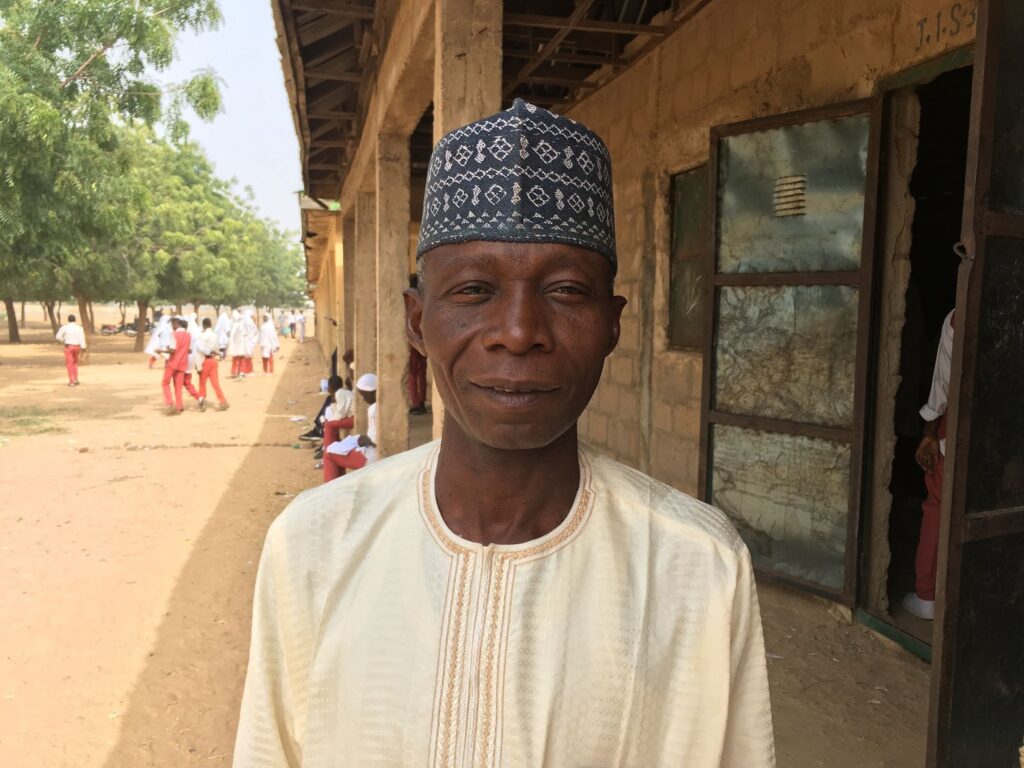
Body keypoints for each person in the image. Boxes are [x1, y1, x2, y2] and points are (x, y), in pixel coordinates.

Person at [235, 100, 774, 767]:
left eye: (567, 291)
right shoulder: (315, 546)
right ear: (416, 320)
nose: (519, 332)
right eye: (473, 291)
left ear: (613, 323)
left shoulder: (697, 568)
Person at [906, 309, 955, 621]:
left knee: (939, 506)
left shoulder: (959, 315)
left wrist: (929, 432)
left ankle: (927, 596)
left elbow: (944, 384)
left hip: (960, 431)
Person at [320, 374, 370, 482]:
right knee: (331, 425)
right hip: (351, 417)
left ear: (330, 386)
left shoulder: (340, 393)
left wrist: (330, 421)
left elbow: (341, 412)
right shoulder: (341, 392)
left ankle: (326, 450)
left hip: (353, 418)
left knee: (329, 426)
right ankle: (331, 448)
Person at [161, 316, 198, 415]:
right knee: (178, 387)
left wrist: (161, 350)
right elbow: (189, 350)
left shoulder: (173, 334)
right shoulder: (188, 335)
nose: (172, 325)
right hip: (183, 363)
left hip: (172, 363)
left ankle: (169, 403)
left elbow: (172, 349)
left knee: (165, 383)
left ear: (177, 323)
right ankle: (179, 406)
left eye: (172, 323)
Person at [197, 317, 229, 412]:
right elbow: (217, 348)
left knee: (202, 383)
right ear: (210, 324)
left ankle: (203, 402)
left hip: (205, 360)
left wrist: (198, 365)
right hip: (214, 360)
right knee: (215, 383)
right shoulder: (215, 335)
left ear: (203, 325)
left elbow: (200, 351)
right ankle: (223, 401)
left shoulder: (202, 336)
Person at [55, 314, 86, 386]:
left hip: (68, 347)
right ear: (75, 320)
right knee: (75, 363)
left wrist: (63, 340)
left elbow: (58, 336)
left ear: (68, 320)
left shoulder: (64, 327)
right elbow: (82, 338)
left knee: (69, 364)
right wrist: (83, 348)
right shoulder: (79, 328)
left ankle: (71, 381)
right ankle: (75, 379)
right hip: (77, 347)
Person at [227, 310, 247, 379]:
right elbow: (245, 334)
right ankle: (241, 372)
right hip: (240, 345)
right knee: (241, 359)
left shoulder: (234, 326)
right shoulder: (241, 325)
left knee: (235, 360)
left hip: (236, 346)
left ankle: (234, 372)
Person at [241, 309, 259, 376]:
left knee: (244, 355)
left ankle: (243, 370)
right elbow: (255, 331)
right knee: (248, 355)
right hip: (249, 340)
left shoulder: (242, 322)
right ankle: (248, 370)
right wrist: (255, 321)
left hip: (244, 340)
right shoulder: (250, 322)